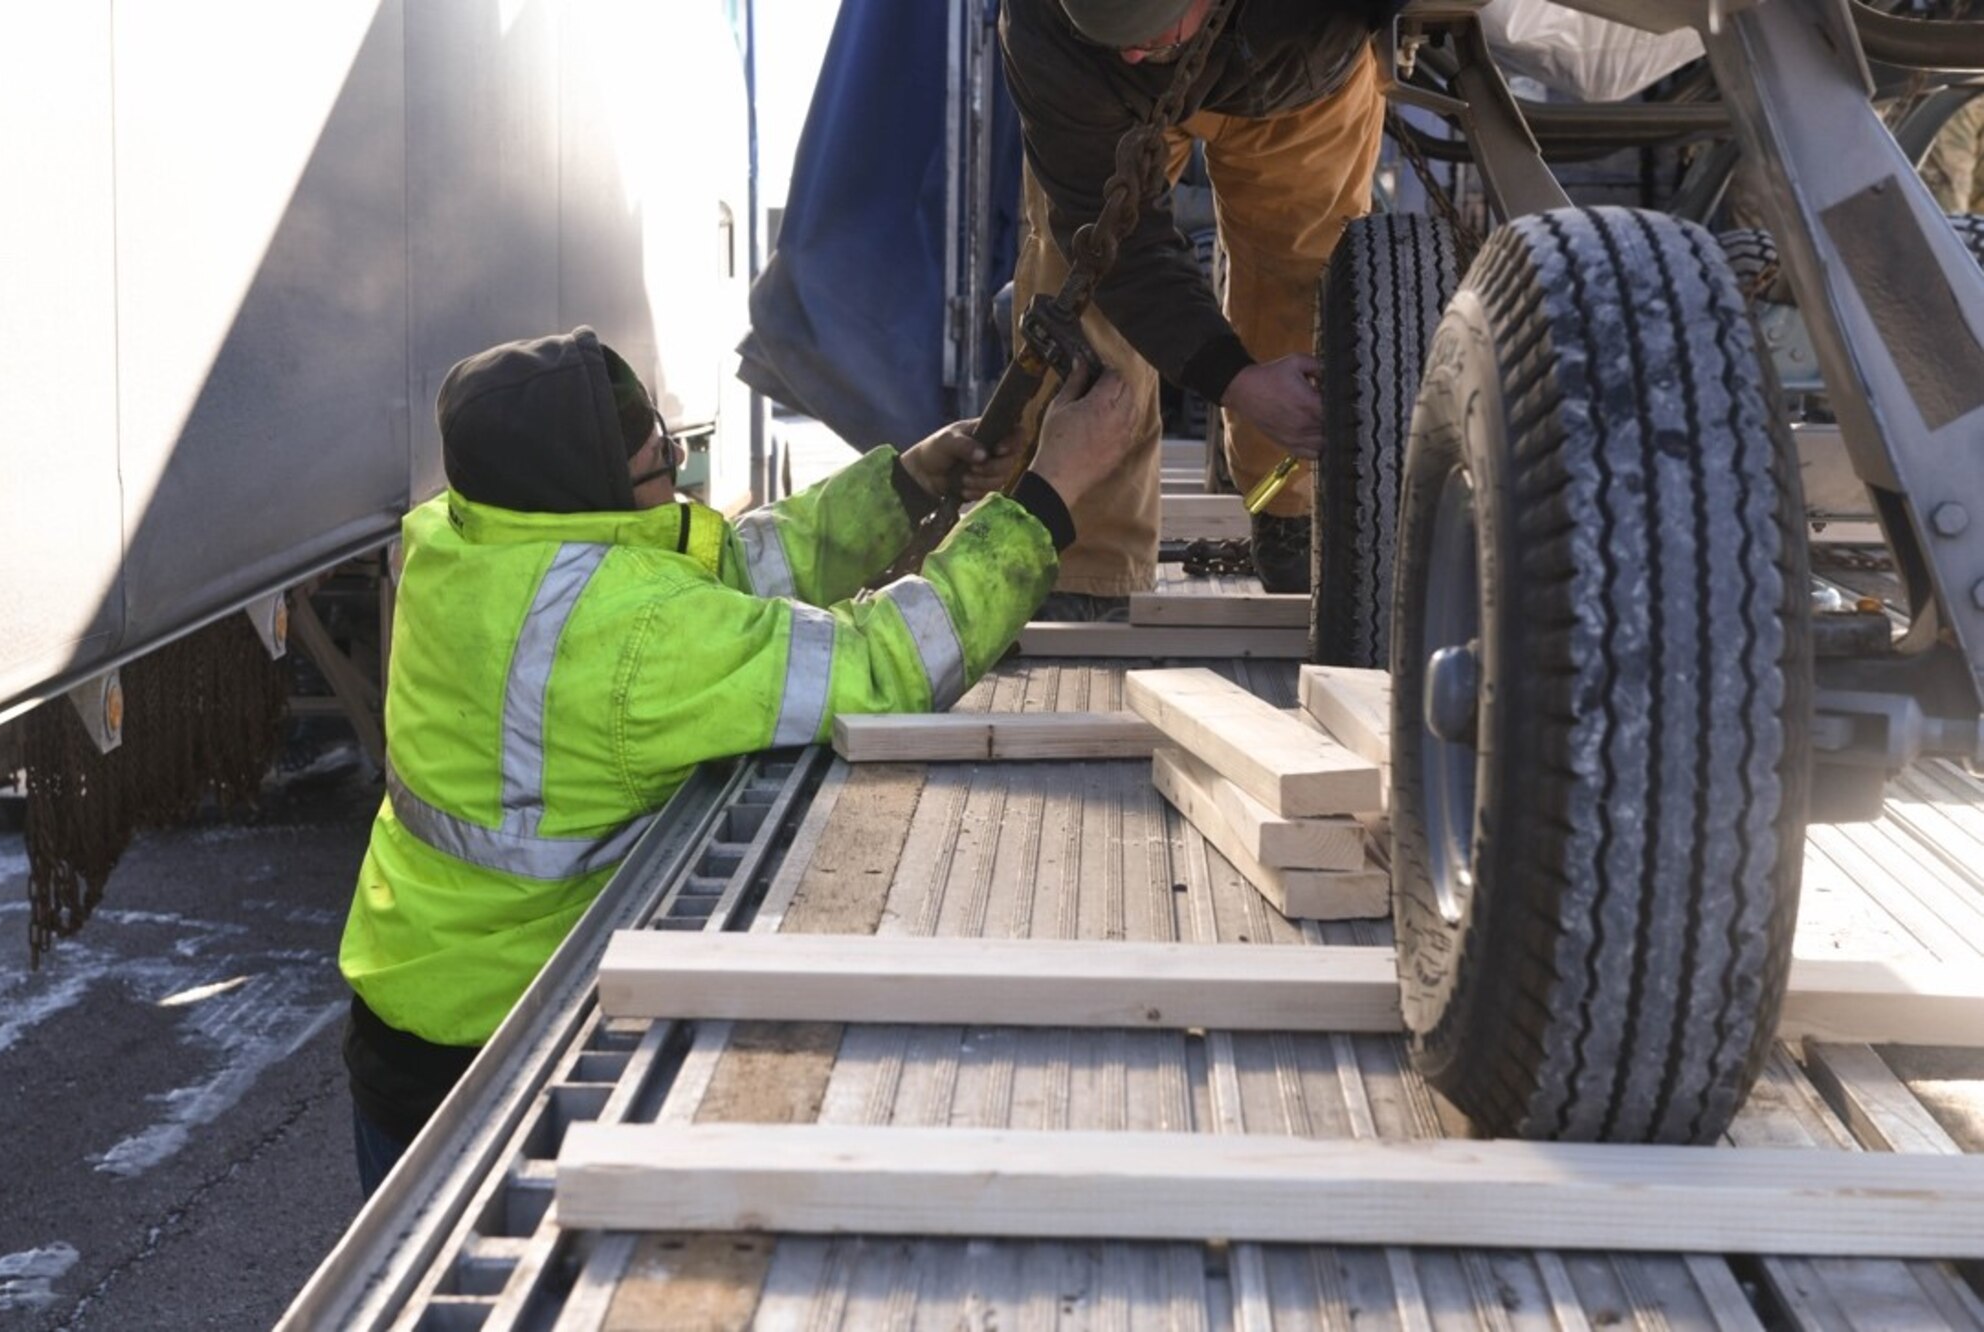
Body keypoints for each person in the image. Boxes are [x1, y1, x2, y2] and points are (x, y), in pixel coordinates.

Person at [339, 327, 1132, 1195]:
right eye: (661, 461)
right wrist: (1049, 499)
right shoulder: (625, 635)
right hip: (500, 1050)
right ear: (599, 490)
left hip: (403, 1010)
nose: (677, 470)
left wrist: (905, 483)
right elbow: (881, 666)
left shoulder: (466, 541)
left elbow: (724, 569)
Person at [1000, 0, 1400, 612]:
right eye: (1116, 37)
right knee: (1080, 293)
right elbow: (1115, 247)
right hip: (1112, 102)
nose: (1133, 50)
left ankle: (1291, 509)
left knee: (1304, 286)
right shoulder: (1043, 26)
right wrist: (1233, 379)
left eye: (1145, 32)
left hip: (1301, 79)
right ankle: (1082, 555)